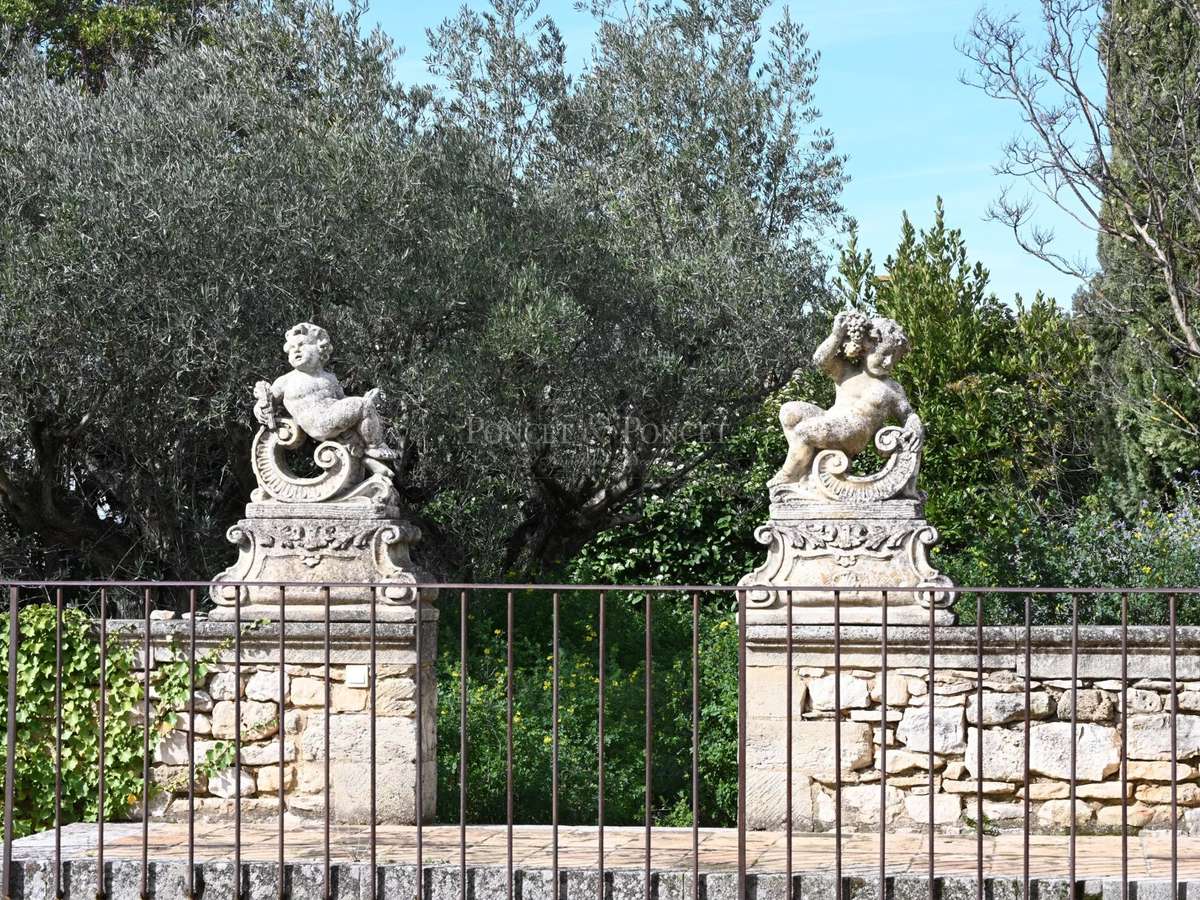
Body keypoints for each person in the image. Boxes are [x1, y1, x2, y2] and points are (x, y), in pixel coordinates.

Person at [769, 311, 920, 486]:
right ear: (867, 346)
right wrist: (836, 336)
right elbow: (820, 360)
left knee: (804, 431)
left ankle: (788, 476)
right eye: (885, 353)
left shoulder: (891, 388)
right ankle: (805, 470)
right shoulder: (847, 372)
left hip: (854, 431)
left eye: (895, 358)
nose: (889, 362)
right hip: (830, 418)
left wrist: (914, 427)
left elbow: (909, 415)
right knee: (789, 412)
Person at [254, 322, 396, 460]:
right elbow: (267, 403)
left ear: (320, 349)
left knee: (365, 405)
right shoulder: (286, 380)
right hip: (317, 422)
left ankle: (368, 446)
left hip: (333, 416)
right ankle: (374, 446)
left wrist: (364, 398)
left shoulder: (329, 378)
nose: (296, 350)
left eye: (302, 345)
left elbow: (342, 400)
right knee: (364, 405)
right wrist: (260, 408)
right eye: (292, 348)